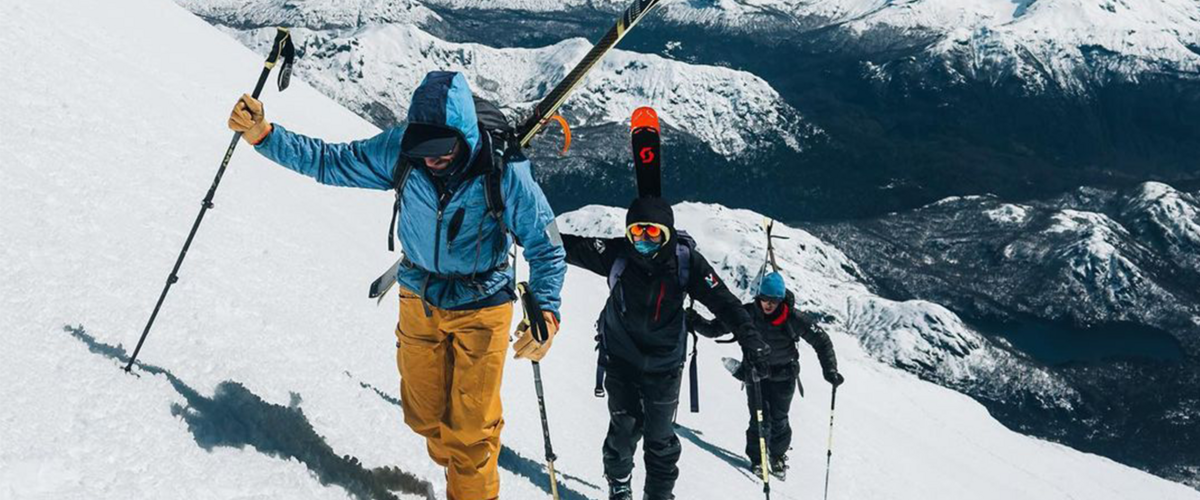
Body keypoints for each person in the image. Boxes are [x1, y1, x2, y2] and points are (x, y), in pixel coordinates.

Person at [227, 71, 567, 500]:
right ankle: (460, 470)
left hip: (483, 304)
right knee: (424, 417)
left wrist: (548, 310)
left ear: (463, 137)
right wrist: (264, 135)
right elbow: (331, 161)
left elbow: (546, 245)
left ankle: (469, 478)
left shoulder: (503, 172)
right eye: (423, 150)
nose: (431, 160)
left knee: (471, 433)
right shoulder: (403, 151)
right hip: (418, 295)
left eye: (441, 151)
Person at [560, 197, 771, 500]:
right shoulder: (618, 254)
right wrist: (521, 229)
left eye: (652, 233)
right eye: (636, 232)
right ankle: (619, 483)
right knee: (624, 430)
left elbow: (725, 303)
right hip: (621, 359)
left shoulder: (687, 262)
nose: (643, 240)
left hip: (664, 366)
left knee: (660, 440)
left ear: (668, 233)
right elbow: (568, 246)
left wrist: (751, 340)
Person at [689, 271, 843, 480]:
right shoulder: (747, 314)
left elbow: (821, 341)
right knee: (759, 419)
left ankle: (777, 456)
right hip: (755, 374)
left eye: (773, 301)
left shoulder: (794, 318)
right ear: (758, 297)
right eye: (764, 300)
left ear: (781, 300)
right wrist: (694, 321)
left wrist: (830, 370)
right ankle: (757, 458)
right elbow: (715, 329)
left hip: (784, 375)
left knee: (779, 419)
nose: (768, 305)